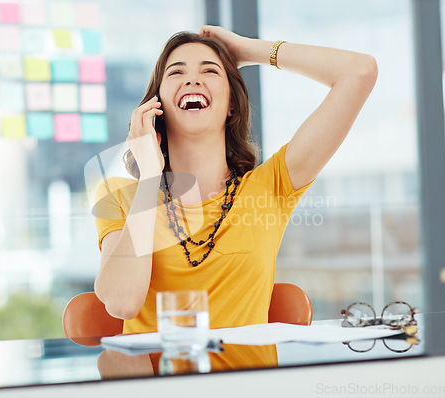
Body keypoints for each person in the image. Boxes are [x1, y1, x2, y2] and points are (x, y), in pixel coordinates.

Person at [94, 25, 377, 335]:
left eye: (210, 71)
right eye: (176, 72)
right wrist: (149, 178)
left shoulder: (272, 186)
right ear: (155, 106)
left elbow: (359, 72)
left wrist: (250, 50)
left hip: (246, 381)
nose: (192, 79)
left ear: (231, 105)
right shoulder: (118, 194)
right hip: (158, 382)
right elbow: (122, 303)